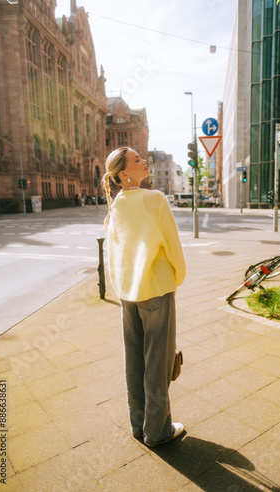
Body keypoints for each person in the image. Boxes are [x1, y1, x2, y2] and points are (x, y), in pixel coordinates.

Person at [103, 147, 186, 447]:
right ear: (124, 173)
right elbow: (173, 248)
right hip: (156, 290)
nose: (144, 161)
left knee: (134, 361)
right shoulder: (155, 200)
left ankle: (139, 426)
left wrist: (121, 286)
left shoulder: (116, 205)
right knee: (158, 363)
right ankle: (158, 431)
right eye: (137, 160)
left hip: (128, 295)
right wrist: (177, 277)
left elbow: (112, 254)